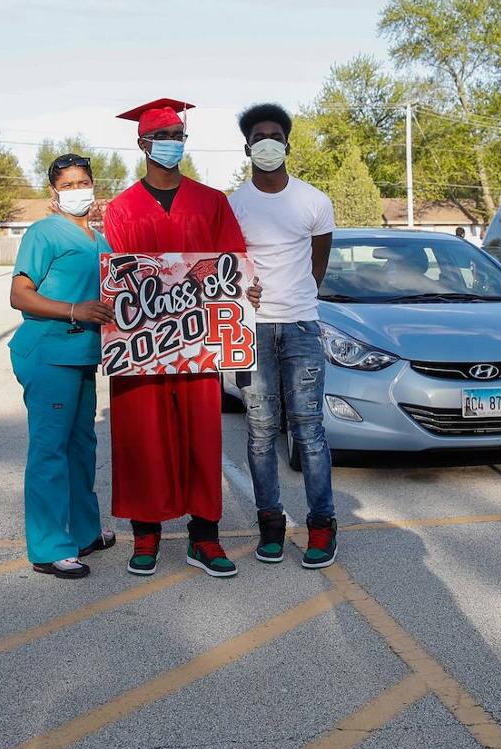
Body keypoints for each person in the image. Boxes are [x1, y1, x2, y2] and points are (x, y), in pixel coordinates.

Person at [104, 98, 249, 578]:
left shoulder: (212, 202)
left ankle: (204, 536)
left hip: (198, 342)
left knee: (202, 437)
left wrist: (247, 286)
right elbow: (118, 277)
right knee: (141, 436)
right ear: (142, 143)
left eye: (177, 137)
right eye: (162, 137)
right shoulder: (122, 209)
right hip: (142, 342)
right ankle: (145, 532)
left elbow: (233, 262)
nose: (171, 145)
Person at [227, 103, 338, 568]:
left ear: (287, 144)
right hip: (252, 331)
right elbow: (225, 268)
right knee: (259, 433)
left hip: (300, 327)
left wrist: (295, 301)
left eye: (275, 135)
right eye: (258, 137)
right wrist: (242, 288)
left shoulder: (313, 201)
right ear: (248, 146)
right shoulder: (233, 203)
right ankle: (270, 523)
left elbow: (318, 264)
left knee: (309, 430)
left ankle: (321, 524)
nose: (267, 143)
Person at [8, 154, 117, 579]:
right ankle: (49, 546)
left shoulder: (100, 239)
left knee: (80, 447)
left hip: (83, 357)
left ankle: (85, 532)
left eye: (83, 182)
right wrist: (75, 309)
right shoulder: (42, 233)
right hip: (49, 353)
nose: (78, 190)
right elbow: (20, 295)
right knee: (50, 451)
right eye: (69, 184)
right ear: (55, 192)